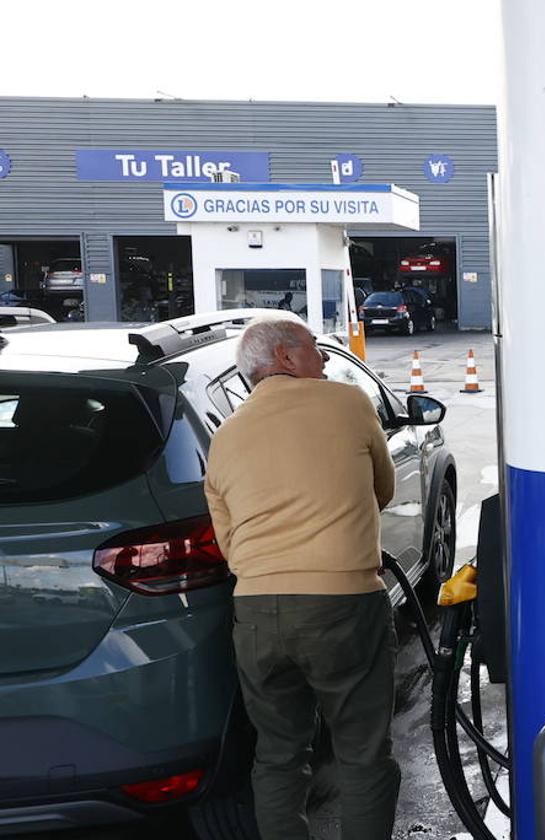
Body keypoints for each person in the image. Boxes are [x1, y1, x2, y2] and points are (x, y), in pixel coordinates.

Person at [204, 315, 400, 840]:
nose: (325, 359)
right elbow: (381, 490)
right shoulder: (347, 402)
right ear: (287, 358)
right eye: (316, 349)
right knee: (362, 754)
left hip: (256, 612)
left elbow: (228, 542)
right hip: (343, 603)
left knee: (278, 755)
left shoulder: (225, 435)